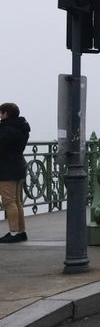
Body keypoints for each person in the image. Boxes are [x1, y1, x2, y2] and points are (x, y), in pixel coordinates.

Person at [0, 103, 30, 244]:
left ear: (6, 114)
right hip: (18, 165)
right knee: (17, 201)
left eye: (1, 113)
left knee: (9, 201)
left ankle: (13, 233)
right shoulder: (21, 128)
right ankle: (21, 231)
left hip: (7, 168)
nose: (0, 115)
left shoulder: (7, 129)